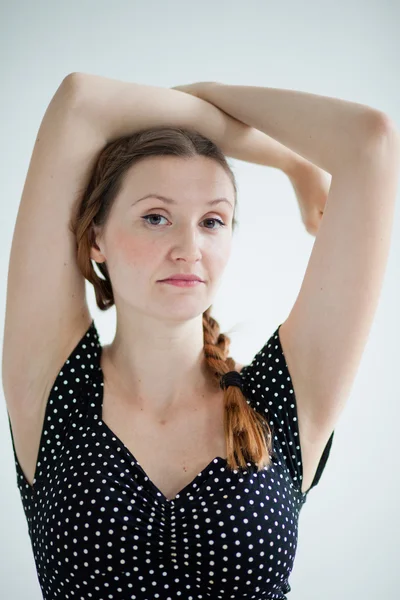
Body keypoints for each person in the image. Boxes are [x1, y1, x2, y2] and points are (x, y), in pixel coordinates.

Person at [3, 73, 398, 599]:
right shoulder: (56, 389)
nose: (189, 247)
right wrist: (284, 158)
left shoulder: (281, 403)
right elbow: (79, 102)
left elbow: (370, 140)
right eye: (157, 217)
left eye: (213, 221)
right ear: (96, 237)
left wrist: (206, 92)